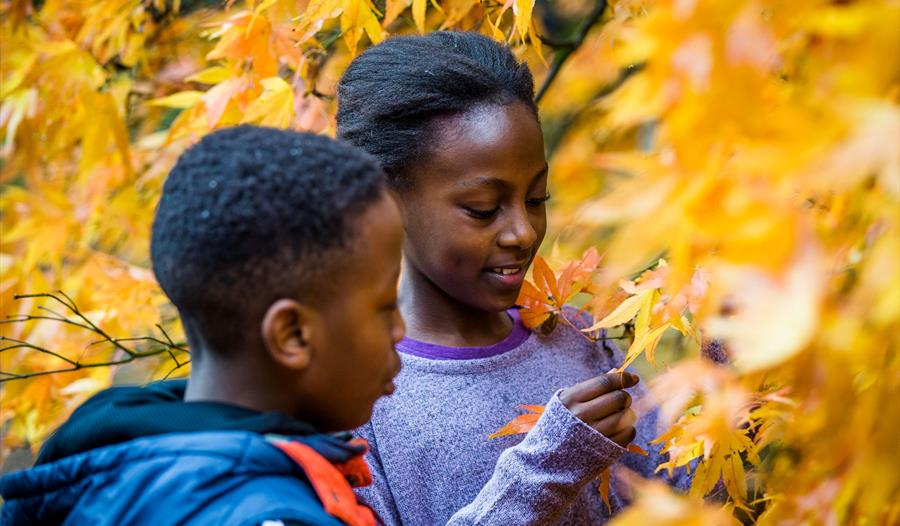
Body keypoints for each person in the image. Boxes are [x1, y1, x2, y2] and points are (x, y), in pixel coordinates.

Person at [336, 31, 691, 524]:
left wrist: (732, 372)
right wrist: (543, 472)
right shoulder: (353, 398)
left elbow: (688, 504)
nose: (523, 232)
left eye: (537, 199)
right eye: (483, 210)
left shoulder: (576, 336)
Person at [0, 125, 406, 526]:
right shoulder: (269, 515)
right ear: (293, 335)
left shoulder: (109, 477)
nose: (401, 330)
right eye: (386, 306)